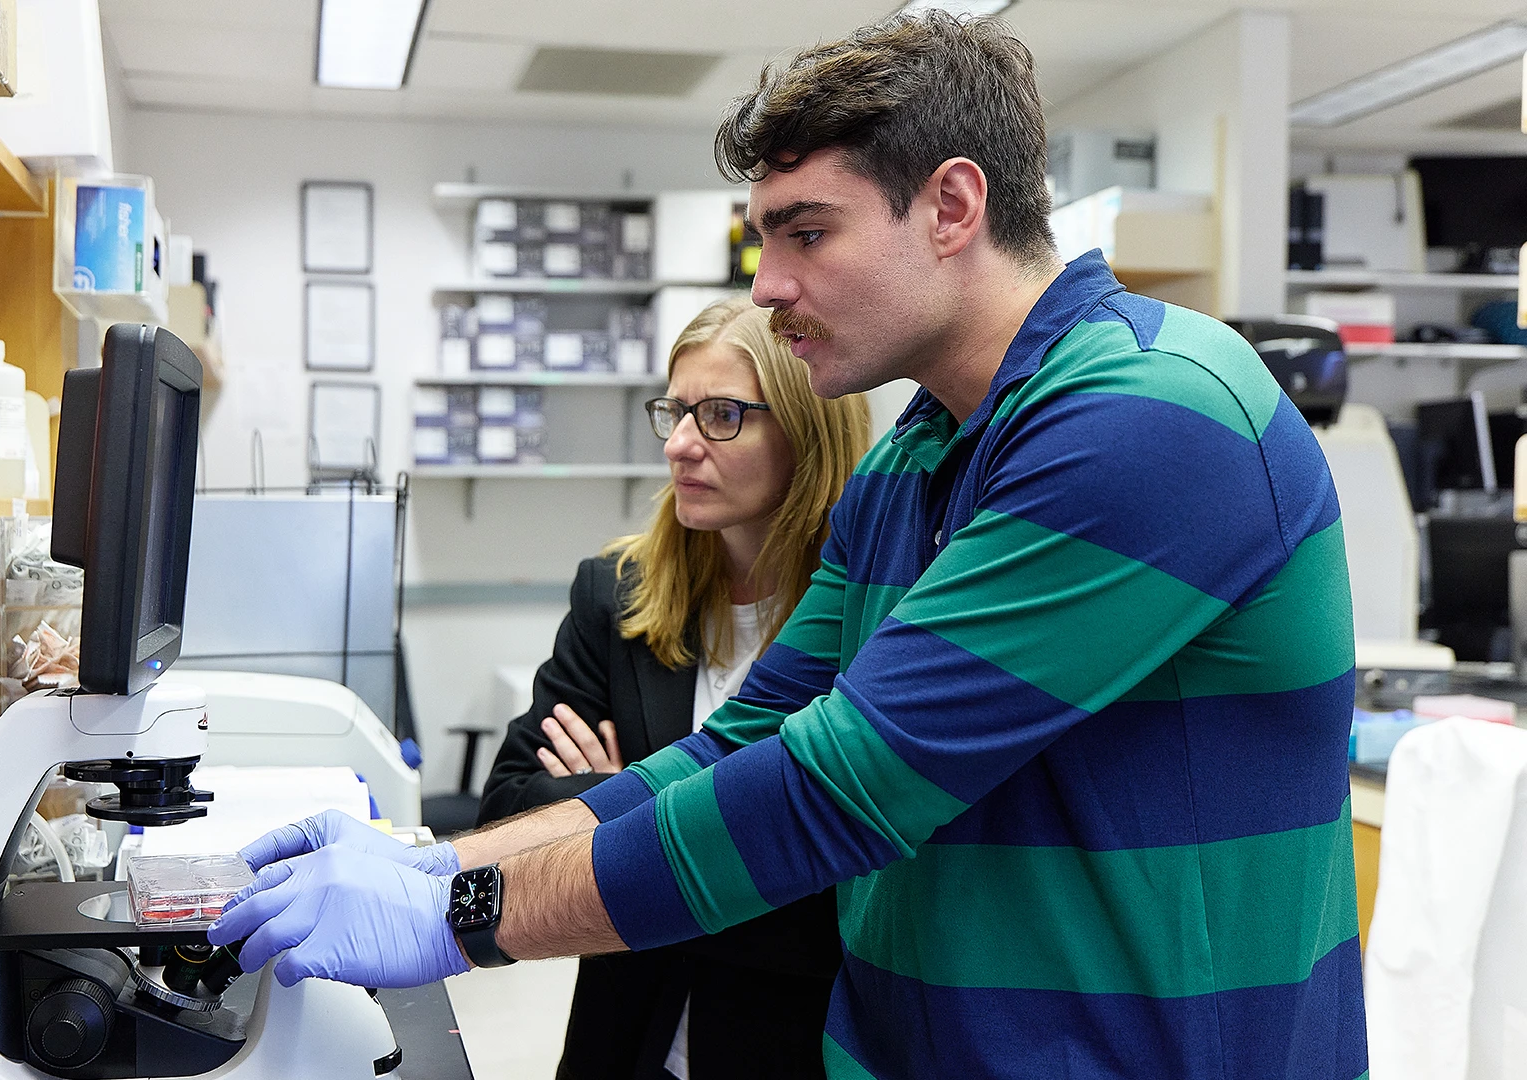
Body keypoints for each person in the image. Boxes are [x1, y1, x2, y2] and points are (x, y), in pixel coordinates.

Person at [210, 13, 1366, 1080]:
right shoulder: (914, 457)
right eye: (765, 237)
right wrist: (438, 863)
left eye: (808, 233)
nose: (769, 287)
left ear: (953, 207)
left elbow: (845, 784)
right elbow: (746, 742)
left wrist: (458, 923)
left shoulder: (1151, 415)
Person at [476, 296, 870, 1080]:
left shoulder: (869, 613)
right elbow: (505, 808)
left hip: (792, 1047)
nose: (682, 445)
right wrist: (729, 839)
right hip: (626, 1042)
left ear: (807, 427)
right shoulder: (616, 594)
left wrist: (620, 805)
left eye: (722, 415)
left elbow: (847, 902)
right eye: (676, 412)